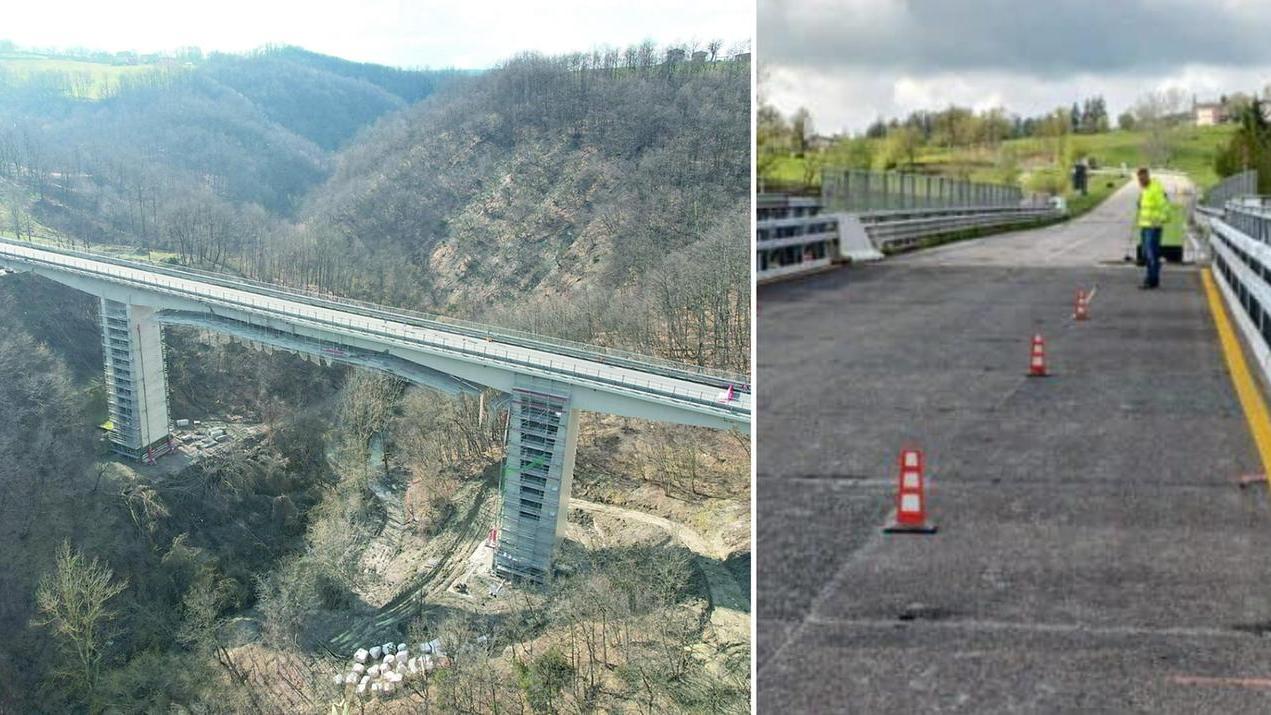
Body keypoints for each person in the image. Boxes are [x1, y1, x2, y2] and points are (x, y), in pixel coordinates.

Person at [1135, 168, 1171, 289]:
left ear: (1147, 177)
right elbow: (1145, 208)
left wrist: (1160, 220)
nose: (1140, 181)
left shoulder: (1156, 189)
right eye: (1139, 179)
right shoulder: (1145, 190)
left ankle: (1152, 279)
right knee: (1146, 253)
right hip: (1145, 226)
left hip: (1153, 227)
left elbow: (1165, 206)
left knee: (1151, 254)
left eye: (1142, 178)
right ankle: (1152, 277)